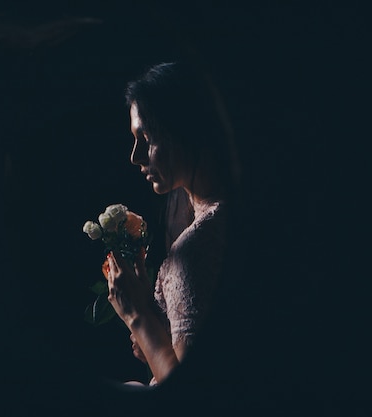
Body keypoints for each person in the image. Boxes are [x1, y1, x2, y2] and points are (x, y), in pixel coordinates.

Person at [106, 61, 241, 386]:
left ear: (184, 131)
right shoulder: (229, 214)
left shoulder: (194, 250)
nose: (136, 156)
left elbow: (191, 394)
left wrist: (137, 316)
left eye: (147, 137)